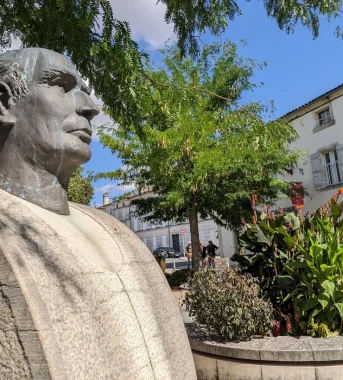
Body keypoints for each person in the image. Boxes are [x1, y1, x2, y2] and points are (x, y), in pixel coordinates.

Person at [0, 48, 196, 380]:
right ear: (5, 103)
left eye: (86, 92)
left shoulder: (110, 229)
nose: (90, 108)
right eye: (62, 85)